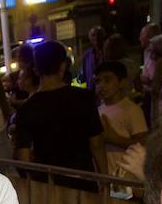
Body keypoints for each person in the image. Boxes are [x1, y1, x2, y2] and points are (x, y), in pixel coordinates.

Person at [11, 40, 105, 187]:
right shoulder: (84, 98)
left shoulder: (26, 109)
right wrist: (104, 180)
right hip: (83, 179)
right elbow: (97, 143)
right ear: (63, 66)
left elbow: (23, 158)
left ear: (35, 69)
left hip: (48, 184)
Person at [96, 60, 149, 174]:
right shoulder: (98, 110)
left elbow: (143, 143)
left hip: (124, 174)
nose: (101, 85)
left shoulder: (131, 109)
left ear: (121, 82)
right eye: (98, 81)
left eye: (107, 80)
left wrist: (115, 139)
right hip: (105, 172)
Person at [81, 27, 105, 93]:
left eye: (99, 35)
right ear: (90, 38)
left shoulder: (108, 52)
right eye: (93, 35)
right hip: (92, 92)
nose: (96, 37)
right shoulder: (86, 55)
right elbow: (84, 76)